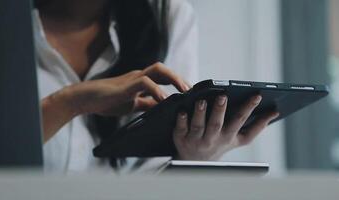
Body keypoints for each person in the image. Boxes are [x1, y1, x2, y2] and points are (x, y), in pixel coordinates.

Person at [35, 0, 279, 172]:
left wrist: (195, 158)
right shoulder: (2, 25)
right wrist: (69, 103)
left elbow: (155, 171)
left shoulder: (168, 18)